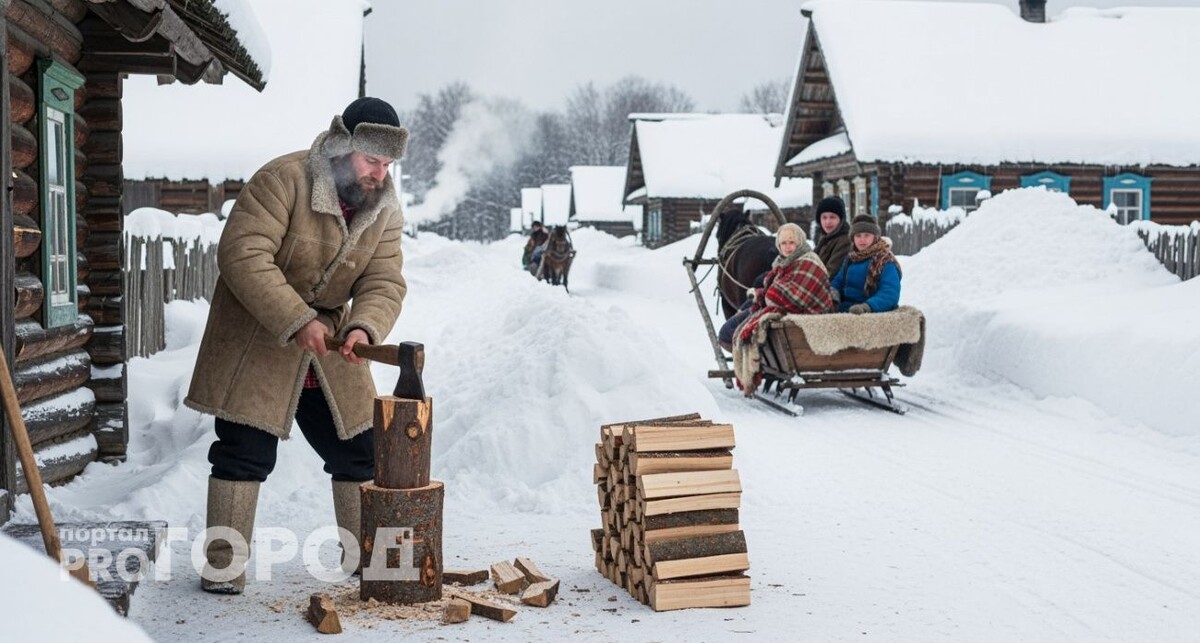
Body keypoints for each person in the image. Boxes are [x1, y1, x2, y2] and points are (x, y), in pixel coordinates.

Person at [184, 97, 409, 594]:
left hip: (329, 347)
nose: (380, 173)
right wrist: (295, 317)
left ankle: (363, 559)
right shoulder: (283, 179)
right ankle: (224, 567)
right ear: (343, 145)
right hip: (256, 336)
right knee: (244, 452)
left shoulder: (384, 208)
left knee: (361, 450)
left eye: (388, 163)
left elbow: (385, 280)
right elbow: (242, 254)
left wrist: (364, 328)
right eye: (373, 160)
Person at [719, 223, 833, 351]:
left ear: (800, 242)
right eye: (783, 243)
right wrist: (760, 294)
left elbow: (788, 298)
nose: (788, 247)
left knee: (728, 333)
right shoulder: (785, 262)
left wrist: (765, 293)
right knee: (743, 312)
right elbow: (778, 291)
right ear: (778, 245)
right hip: (789, 312)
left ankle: (756, 355)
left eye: (792, 242)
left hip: (801, 318)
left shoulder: (808, 263)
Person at [830, 214, 901, 314]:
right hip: (846, 310)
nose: (862, 239)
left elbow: (890, 292)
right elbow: (838, 281)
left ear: (875, 237)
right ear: (853, 239)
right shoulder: (850, 259)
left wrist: (867, 306)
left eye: (867, 235)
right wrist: (833, 293)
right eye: (858, 236)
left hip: (873, 312)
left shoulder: (885, 260)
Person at [812, 196, 851, 275]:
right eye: (824, 217)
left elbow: (831, 272)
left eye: (832, 217)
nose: (828, 222)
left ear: (841, 219)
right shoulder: (824, 239)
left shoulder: (845, 241)